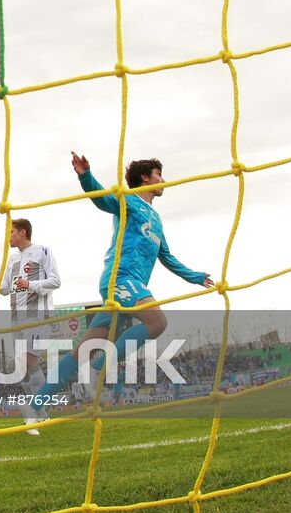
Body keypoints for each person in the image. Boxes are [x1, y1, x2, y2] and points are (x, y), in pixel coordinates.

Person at [33, 154, 213, 408]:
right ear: (145, 178)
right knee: (156, 322)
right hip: (121, 278)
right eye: (158, 175)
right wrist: (85, 175)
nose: (163, 180)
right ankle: (99, 367)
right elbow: (102, 198)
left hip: (130, 284)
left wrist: (196, 277)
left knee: (84, 348)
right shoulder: (128, 201)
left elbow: (167, 257)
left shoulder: (156, 220)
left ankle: (36, 402)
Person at [0, 217, 60, 434]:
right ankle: (41, 415)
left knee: (29, 361)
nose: (9, 237)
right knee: (22, 368)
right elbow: (6, 289)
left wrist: (31, 284)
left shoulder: (42, 251)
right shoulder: (12, 260)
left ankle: (35, 412)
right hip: (16, 317)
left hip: (37, 316)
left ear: (23, 233)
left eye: (11, 232)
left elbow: (55, 281)